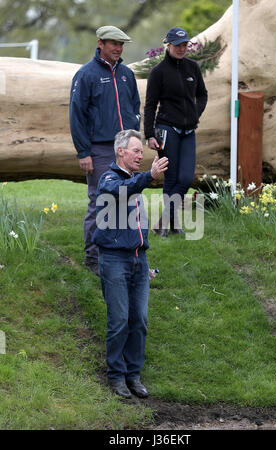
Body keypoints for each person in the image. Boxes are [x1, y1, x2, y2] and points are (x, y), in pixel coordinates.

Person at [92, 129, 168, 399]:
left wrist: (142, 259)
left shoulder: (134, 181)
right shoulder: (109, 180)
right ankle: (115, 376)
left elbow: (137, 226)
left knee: (140, 320)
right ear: (120, 152)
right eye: (136, 151)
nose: (141, 155)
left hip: (138, 260)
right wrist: (150, 176)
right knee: (119, 320)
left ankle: (133, 375)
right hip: (114, 260)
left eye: (142, 151)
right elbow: (120, 192)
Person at [69, 26, 141, 275]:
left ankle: (126, 254)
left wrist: (135, 143)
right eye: (113, 44)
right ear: (100, 43)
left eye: (121, 45)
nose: (118, 49)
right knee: (100, 201)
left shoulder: (127, 75)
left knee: (129, 200)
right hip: (99, 150)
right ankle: (93, 257)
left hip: (125, 149)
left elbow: (134, 108)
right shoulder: (85, 75)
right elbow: (76, 116)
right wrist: (83, 152)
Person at [144, 27, 208, 237]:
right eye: (177, 45)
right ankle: (172, 225)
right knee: (171, 179)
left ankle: (163, 221)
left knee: (186, 178)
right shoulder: (158, 72)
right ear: (168, 45)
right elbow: (150, 105)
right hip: (166, 129)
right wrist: (149, 134)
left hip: (189, 131)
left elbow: (202, 95)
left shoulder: (193, 68)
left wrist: (194, 115)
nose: (182, 49)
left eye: (184, 45)